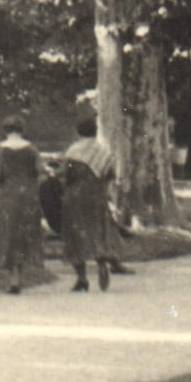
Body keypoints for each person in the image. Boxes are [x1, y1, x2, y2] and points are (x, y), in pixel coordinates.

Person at [0, 116, 44, 294]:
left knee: (9, 232)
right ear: (22, 130)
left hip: (9, 193)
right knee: (25, 231)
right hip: (28, 193)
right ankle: (21, 270)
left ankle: (14, 278)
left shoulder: (0, 149)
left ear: (5, 130)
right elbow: (40, 171)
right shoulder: (32, 148)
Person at [61, 117, 116, 292]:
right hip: (96, 196)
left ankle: (82, 277)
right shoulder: (104, 151)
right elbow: (110, 174)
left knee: (75, 233)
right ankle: (101, 261)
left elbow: (66, 174)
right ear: (95, 131)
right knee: (97, 230)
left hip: (76, 195)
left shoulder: (73, 151)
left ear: (78, 132)